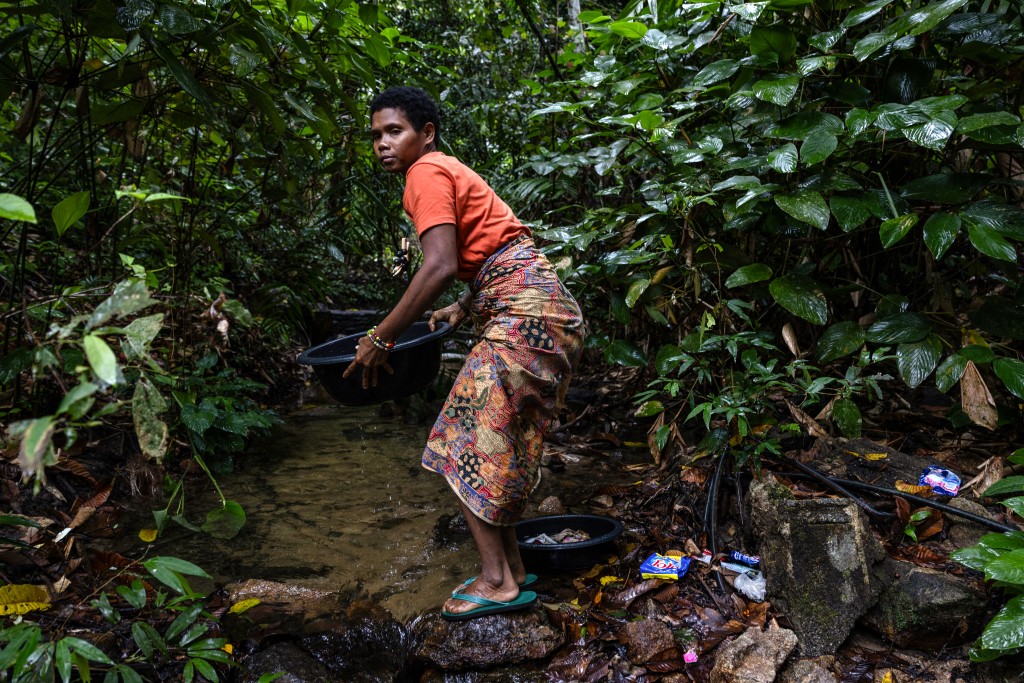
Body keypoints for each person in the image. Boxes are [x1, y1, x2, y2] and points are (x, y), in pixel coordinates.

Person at [342, 86, 585, 620]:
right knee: (498, 441)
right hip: (544, 311)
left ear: (425, 134)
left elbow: (439, 263)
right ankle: (514, 570)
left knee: (461, 438)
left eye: (393, 131)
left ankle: (496, 580)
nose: (382, 144)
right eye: (376, 135)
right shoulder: (447, 168)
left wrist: (380, 337)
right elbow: (495, 248)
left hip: (526, 316)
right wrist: (465, 306)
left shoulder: (424, 173)